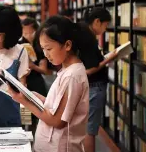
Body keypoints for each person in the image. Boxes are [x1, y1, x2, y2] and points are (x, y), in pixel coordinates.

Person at [8, 15, 94, 152]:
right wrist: (33, 96)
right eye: (43, 49)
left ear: (67, 45)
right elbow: (56, 105)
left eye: (49, 49)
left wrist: (25, 102)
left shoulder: (72, 76)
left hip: (59, 146)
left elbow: (57, 121)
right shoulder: (67, 70)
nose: (46, 54)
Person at [82, 7, 118, 152]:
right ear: (97, 21)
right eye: (105, 25)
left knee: (88, 127)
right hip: (94, 87)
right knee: (90, 129)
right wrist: (108, 59)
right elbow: (90, 69)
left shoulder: (84, 35)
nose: (105, 29)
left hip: (91, 86)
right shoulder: (88, 39)